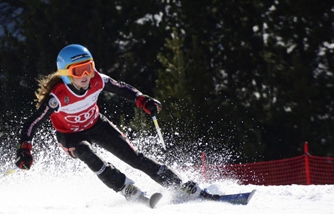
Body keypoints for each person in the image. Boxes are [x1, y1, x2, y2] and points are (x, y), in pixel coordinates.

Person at [14, 44, 200, 201]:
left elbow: (122, 88)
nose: (86, 74)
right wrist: (25, 149)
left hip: (97, 125)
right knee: (85, 152)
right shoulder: (58, 97)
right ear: (66, 74)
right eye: (78, 71)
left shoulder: (97, 79)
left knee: (135, 158)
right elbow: (32, 123)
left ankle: (178, 185)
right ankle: (125, 188)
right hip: (70, 136)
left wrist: (142, 100)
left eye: (89, 67)